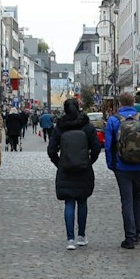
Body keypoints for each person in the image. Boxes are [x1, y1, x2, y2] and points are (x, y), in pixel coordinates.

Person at [103, 88, 140, 248]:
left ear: (119, 103)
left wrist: (111, 164)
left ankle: (129, 236)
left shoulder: (113, 120)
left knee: (126, 200)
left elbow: (108, 146)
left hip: (121, 166)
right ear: (133, 103)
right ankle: (137, 234)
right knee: (137, 198)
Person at [48, 96, 100, 250]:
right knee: (82, 201)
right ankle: (81, 236)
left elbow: (51, 150)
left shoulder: (60, 127)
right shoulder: (87, 126)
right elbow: (96, 148)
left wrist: (60, 163)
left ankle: (70, 239)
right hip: (83, 170)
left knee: (69, 202)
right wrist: (88, 162)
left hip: (66, 170)